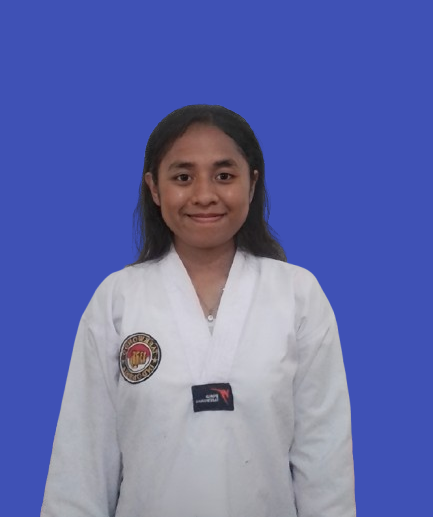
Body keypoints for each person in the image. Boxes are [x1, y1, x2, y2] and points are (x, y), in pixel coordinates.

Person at [41, 105, 356, 517]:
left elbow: (325, 460)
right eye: (183, 177)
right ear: (154, 188)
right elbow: (81, 458)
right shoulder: (118, 299)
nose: (204, 195)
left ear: (252, 183)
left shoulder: (297, 295)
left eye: (224, 176)